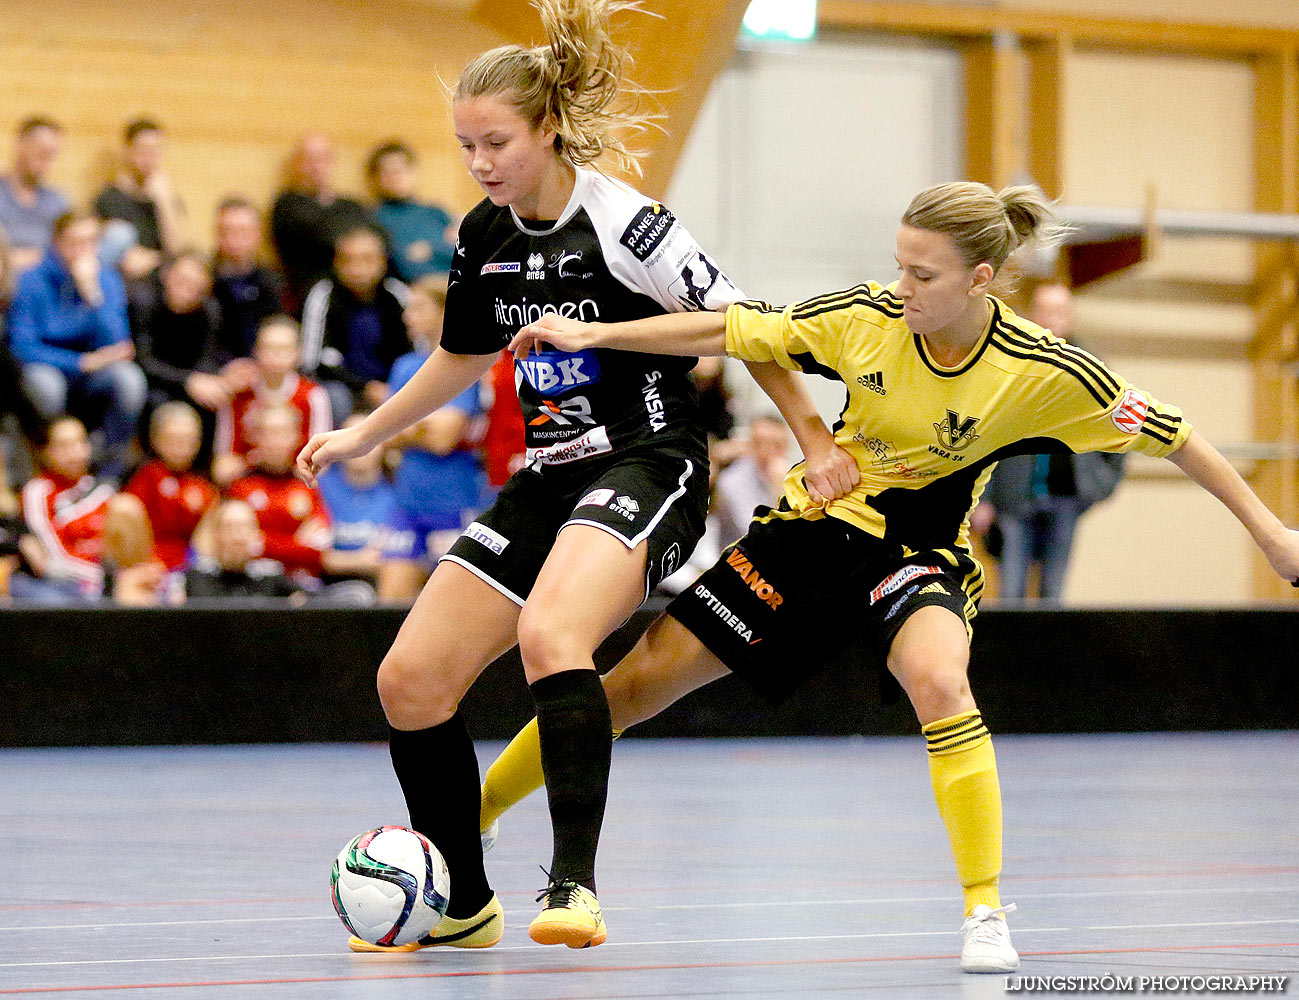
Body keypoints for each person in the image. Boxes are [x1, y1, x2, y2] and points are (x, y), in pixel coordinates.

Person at [485, 179, 1299, 974]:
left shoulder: (1041, 370)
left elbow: (1176, 436)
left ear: (979, 280)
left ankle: (983, 908)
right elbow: (733, 328)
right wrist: (598, 337)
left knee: (940, 680)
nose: (900, 286)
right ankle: (471, 817)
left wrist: (1270, 535)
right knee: (624, 690)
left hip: (919, 554)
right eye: (899, 265)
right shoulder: (864, 316)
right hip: (808, 537)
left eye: (923, 274)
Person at [296, 0, 854, 955]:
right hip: (549, 479)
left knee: (550, 631)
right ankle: (464, 901)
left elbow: (744, 322)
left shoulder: (628, 226)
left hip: (648, 464)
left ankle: (574, 884)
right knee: (411, 680)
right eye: (465, 145)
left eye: (496, 142)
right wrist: (364, 431)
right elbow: (462, 355)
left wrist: (811, 434)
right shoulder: (482, 233)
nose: (479, 163)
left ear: (547, 127)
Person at [975, 282, 1124, 601]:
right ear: (1032, 315)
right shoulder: (1008, 367)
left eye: (1059, 311)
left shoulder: (1094, 370)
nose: (1051, 319)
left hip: (1066, 496)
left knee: (1053, 591)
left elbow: (1121, 432)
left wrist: (1101, 484)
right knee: (1011, 588)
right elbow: (984, 436)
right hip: (1014, 497)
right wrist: (983, 496)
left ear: (1070, 316)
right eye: (1044, 311)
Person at [7, 210, 146, 478]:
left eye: (91, 242)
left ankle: (106, 472)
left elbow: (118, 343)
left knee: (129, 380)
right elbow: (22, 347)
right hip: (50, 367)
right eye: (75, 242)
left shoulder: (105, 279)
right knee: (47, 386)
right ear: (57, 243)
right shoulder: (31, 281)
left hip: (94, 372)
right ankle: (49, 468)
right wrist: (79, 363)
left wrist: (93, 293)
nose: (84, 251)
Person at [377, 276, 486, 602]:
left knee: (454, 608)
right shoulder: (404, 365)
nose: (408, 316)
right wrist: (416, 427)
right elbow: (385, 435)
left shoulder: (467, 360)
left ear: (444, 311)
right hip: (407, 503)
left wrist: (402, 426)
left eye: (419, 308)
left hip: (456, 502)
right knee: (388, 605)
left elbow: (444, 438)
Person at [300, 225, 410, 424]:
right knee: (334, 397)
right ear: (336, 263)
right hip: (343, 388)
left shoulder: (397, 295)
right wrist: (364, 387)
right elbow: (313, 361)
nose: (357, 268)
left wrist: (391, 386)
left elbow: (415, 354)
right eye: (348, 260)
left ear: (382, 261)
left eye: (366, 259)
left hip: (390, 386)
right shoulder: (323, 295)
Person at [213, 315, 330, 487]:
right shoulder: (238, 393)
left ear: (298, 353)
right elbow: (222, 465)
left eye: (284, 349)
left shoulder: (313, 396)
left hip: (294, 482)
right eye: (268, 348)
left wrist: (281, 460)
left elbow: (320, 465)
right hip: (248, 479)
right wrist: (257, 458)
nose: (276, 356)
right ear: (256, 351)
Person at [230, 403, 332, 583]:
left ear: (297, 437)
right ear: (255, 438)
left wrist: (264, 542)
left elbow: (319, 549)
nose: (275, 441)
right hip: (253, 586)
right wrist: (296, 544)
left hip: (302, 585)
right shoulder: (240, 486)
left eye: (282, 432)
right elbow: (237, 546)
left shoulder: (308, 485)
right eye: (268, 432)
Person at [270, 134, 373, 312]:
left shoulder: (352, 205)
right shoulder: (286, 205)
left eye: (322, 159)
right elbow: (319, 238)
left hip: (363, 294)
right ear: (296, 164)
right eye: (308, 159)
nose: (316, 166)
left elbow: (378, 239)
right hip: (314, 296)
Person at [122, 401, 218, 571]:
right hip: (147, 564)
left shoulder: (203, 486)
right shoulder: (146, 476)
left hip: (189, 566)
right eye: (174, 439)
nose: (182, 447)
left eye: (189, 439)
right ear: (156, 439)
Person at [93, 118, 187, 279]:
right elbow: (105, 250)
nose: (150, 157)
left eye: (156, 150)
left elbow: (180, 251)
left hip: (161, 277)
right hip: (122, 277)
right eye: (144, 149)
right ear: (127, 151)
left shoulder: (168, 197)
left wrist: (164, 203)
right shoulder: (108, 198)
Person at [175, 497, 305, 603]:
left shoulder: (270, 577)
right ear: (216, 535)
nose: (237, 538)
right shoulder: (194, 578)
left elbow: (314, 599)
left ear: (256, 535)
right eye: (229, 528)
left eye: (244, 528)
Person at [367, 140, 458, 282]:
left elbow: (466, 254)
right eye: (387, 171)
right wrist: (444, 246)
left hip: (458, 285)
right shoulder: (375, 218)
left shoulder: (436, 213)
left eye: (400, 170)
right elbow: (404, 265)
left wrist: (431, 249)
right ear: (376, 178)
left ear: (413, 172)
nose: (394, 177)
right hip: (414, 290)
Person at [211, 196, 287, 359]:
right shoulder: (205, 281)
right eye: (226, 231)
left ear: (257, 234)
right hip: (215, 371)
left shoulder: (274, 283)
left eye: (242, 231)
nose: (234, 239)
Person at [0, 117, 70, 276]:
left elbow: (67, 249)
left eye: (52, 154)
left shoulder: (57, 202)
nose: (46, 160)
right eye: (41, 151)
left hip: (45, 282)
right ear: (20, 145)